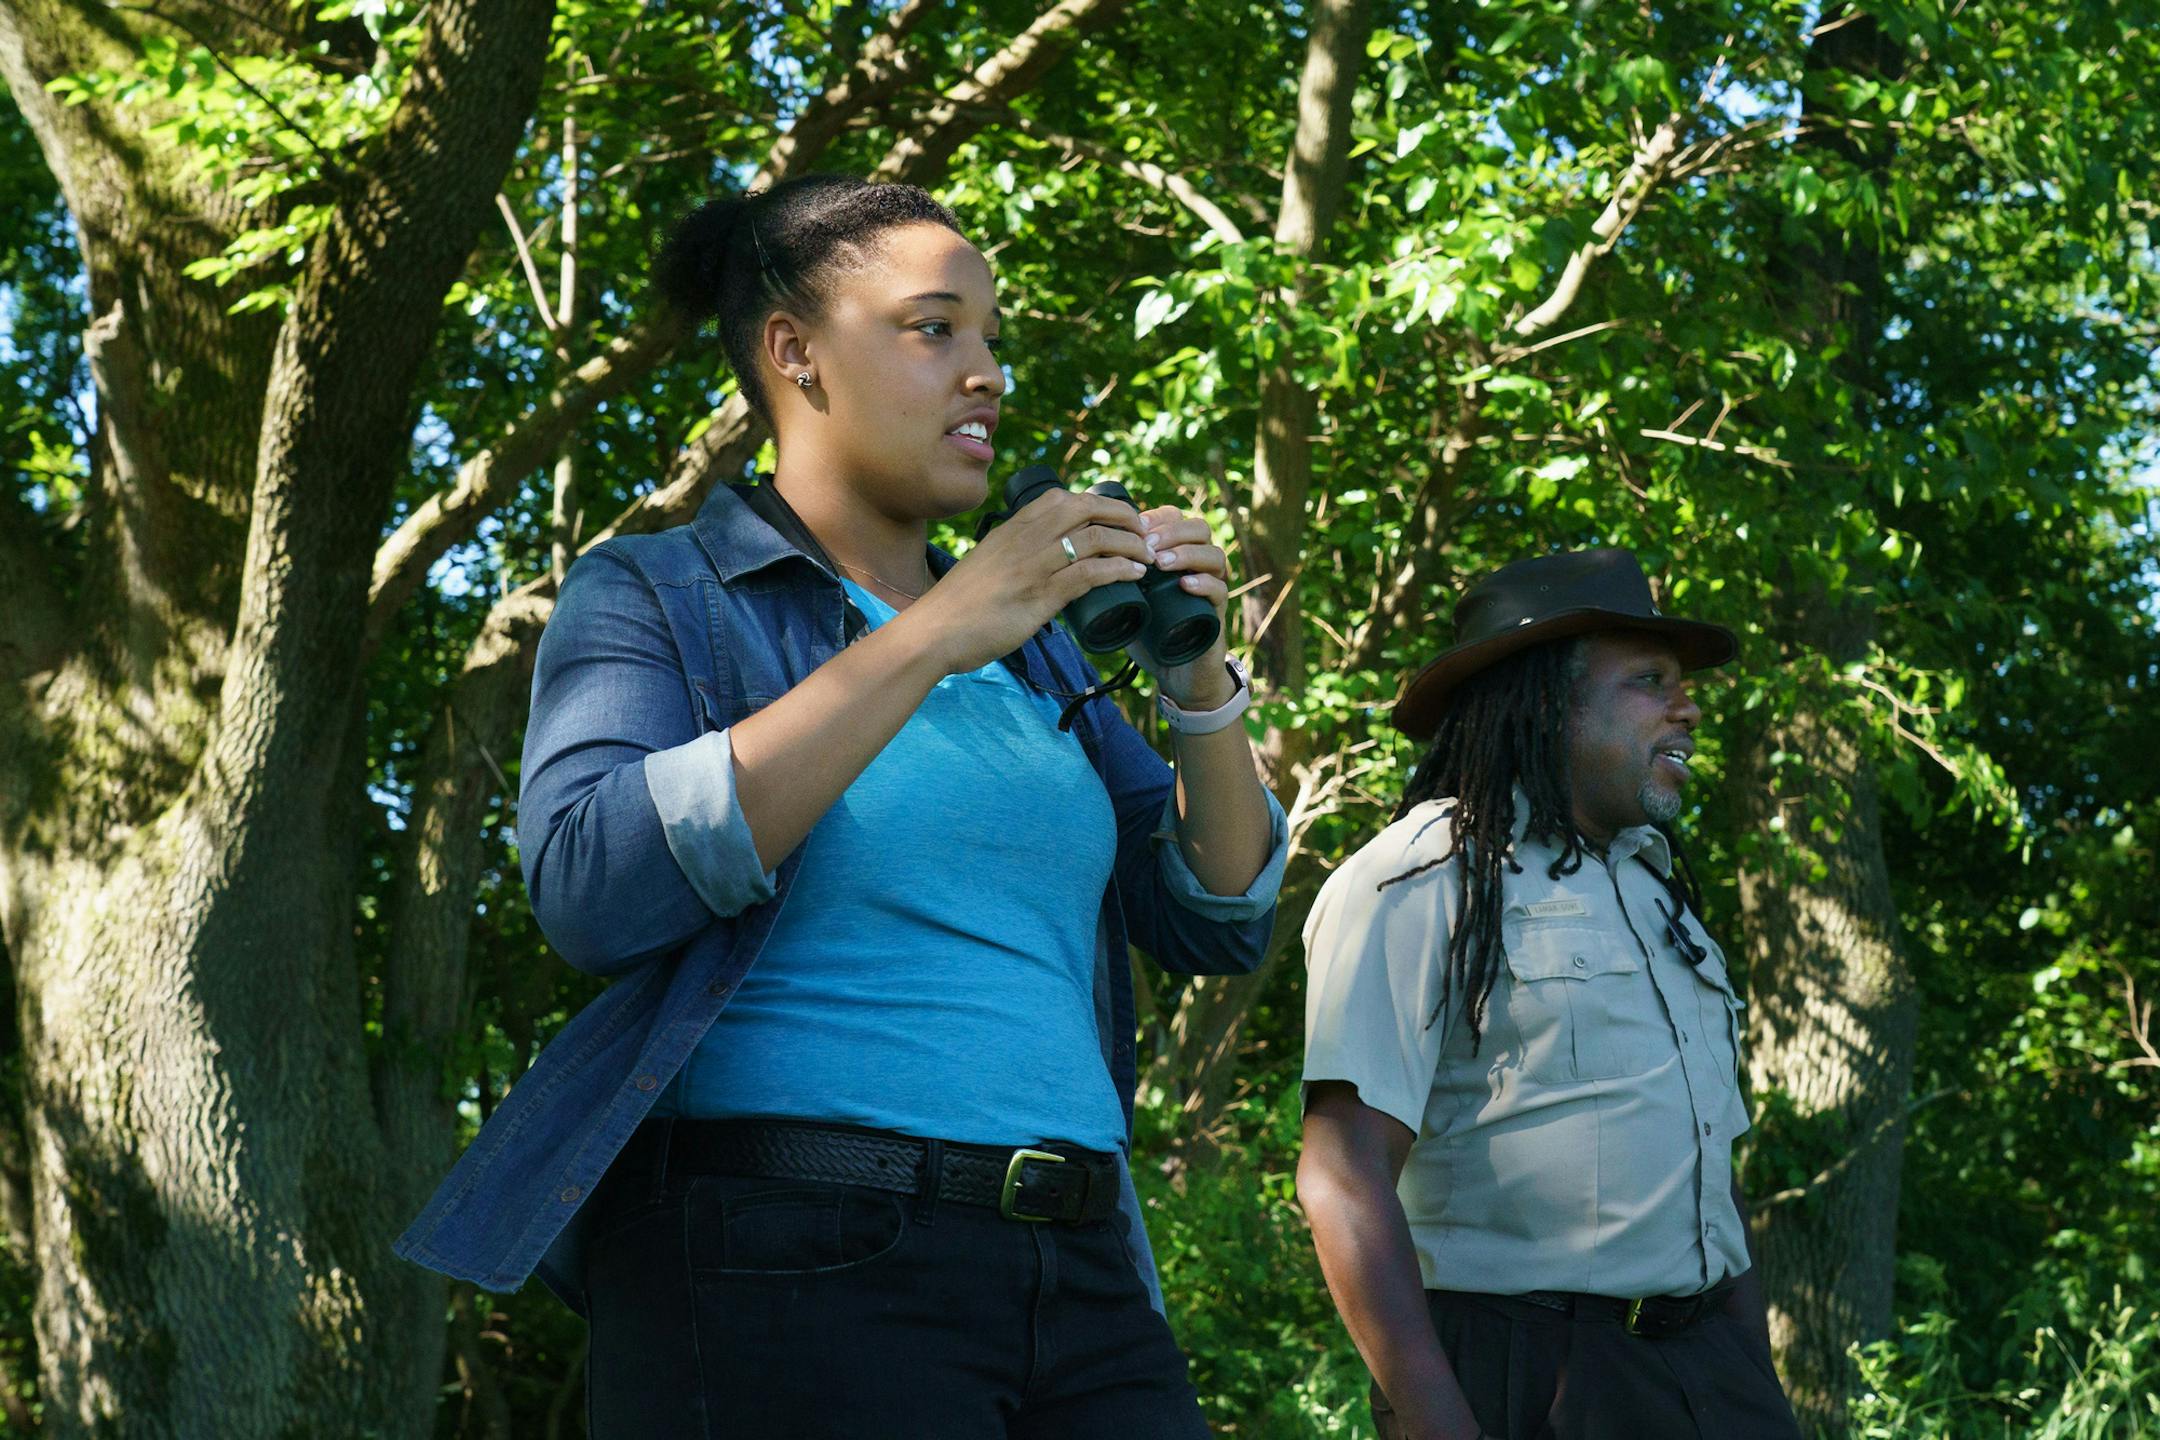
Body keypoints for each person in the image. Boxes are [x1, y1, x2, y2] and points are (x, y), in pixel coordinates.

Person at [395, 174, 1288, 1437]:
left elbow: (1215, 917)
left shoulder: (1042, 651)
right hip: (789, 1258)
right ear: (793, 351)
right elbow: (593, 885)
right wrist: (929, 635)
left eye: (992, 338)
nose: (984, 371)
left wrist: (1201, 688)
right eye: (935, 328)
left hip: (1081, 1273)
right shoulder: (657, 591)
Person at [1295, 548, 1802, 1440]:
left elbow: (1706, 1178)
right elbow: (1343, 1174)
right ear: (1542, 700)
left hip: (1706, 1374)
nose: (1688, 708)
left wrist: (1749, 1377)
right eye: (1648, 681)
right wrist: (1433, 1423)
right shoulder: (1419, 880)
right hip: (1529, 1374)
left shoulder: (1657, 892)